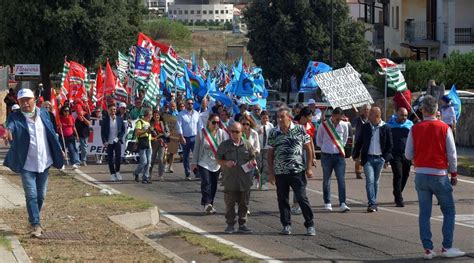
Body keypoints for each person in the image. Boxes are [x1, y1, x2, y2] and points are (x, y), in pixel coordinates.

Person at [405, 95, 465, 259]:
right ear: (436, 110)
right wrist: (453, 173)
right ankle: (447, 247)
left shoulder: (415, 128)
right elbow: (452, 154)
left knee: (424, 213)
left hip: (421, 174)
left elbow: (408, 154)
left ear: (423, 110)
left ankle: (428, 249)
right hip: (439, 174)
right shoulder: (444, 127)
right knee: (449, 211)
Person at [2, 88, 64, 238]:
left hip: (44, 161)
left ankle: (32, 218)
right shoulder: (15, 117)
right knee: (31, 195)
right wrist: (7, 131)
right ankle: (36, 224)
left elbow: (50, 131)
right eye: (21, 100)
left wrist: (59, 148)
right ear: (18, 102)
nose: (25, 103)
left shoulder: (43, 113)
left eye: (27, 99)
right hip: (27, 164)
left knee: (41, 196)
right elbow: (10, 126)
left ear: (34, 99)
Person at [267, 107, 315, 236]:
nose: (280, 119)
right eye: (278, 117)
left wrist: (309, 168)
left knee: (301, 197)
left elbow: (308, 149)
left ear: (289, 117)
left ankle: (310, 224)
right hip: (280, 171)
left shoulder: (299, 129)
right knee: (282, 199)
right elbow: (270, 153)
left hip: (297, 171)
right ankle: (286, 224)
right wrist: (270, 173)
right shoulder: (273, 132)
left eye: (282, 117)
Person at [216, 122, 256, 234]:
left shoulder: (247, 145)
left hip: (245, 180)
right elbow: (218, 159)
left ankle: (242, 224)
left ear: (241, 132)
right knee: (230, 204)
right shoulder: (225, 145)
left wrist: (252, 164)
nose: (234, 134)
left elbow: (253, 158)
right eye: (232, 131)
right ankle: (230, 225)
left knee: (244, 203)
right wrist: (225, 162)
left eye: (236, 132)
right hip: (230, 179)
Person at [352, 107, 392, 212]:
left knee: (375, 181)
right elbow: (359, 142)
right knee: (370, 180)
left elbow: (389, 145)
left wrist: (385, 159)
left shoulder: (386, 127)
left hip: (380, 158)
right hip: (368, 158)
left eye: (371, 115)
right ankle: (372, 203)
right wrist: (355, 155)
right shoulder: (365, 127)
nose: (368, 116)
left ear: (377, 116)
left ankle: (373, 201)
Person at [315, 107, 350, 212]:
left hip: (339, 156)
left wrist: (338, 148)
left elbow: (345, 138)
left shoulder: (344, 125)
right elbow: (318, 141)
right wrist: (326, 148)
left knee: (341, 180)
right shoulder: (324, 125)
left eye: (340, 118)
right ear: (333, 116)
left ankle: (342, 203)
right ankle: (327, 202)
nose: (338, 120)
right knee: (327, 180)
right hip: (326, 156)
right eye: (337, 118)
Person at [192, 113, 226, 214]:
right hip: (204, 162)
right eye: (214, 122)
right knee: (206, 182)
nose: (216, 124)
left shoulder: (221, 133)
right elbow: (197, 148)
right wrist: (194, 162)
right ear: (208, 122)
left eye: (218, 123)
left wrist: (224, 162)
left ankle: (210, 203)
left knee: (214, 184)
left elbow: (224, 149)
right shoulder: (202, 133)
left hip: (216, 163)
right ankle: (207, 203)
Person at [291, 107, 317, 214]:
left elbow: (310, 141)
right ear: (303, 116)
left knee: (302, 181)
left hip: (306, 153)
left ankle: (298, 203)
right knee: (297, 180)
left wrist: (313, 157)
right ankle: (296, 204)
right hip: (294, 154)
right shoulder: (293, 124)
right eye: (309, 117)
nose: (311, 119)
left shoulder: (310, 125)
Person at [387, 107, 413, 207]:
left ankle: (398, 191)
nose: (404, 117)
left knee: (405, 174)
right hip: (395, 154)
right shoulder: (390, 125)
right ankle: (398, 198)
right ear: (397, 114)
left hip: (406, 154)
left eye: (406, 115)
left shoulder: (410, 125)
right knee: (398, 174)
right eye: (402, 115)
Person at [176, 98, 201, 180]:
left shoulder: (197, 114)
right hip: (185, 137)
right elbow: (179, 126)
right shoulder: (181, 114)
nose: (190, 105)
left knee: (196, 156)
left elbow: (200, 126)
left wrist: (200, 136)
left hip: (195, 137)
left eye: (192, 103)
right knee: (186, 156)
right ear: (186, 104)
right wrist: (181, 137)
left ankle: (196, 172)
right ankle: (187, 173)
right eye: (189, 103)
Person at [101, 104, 125, 181]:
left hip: (117, 141)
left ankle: (117, 172)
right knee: (110, 159)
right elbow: (103, 132)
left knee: (118, 158)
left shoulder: (119, 119)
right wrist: (104, 141)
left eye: (114, 109)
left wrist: (118, 138)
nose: (113, 111)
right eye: (111, 110)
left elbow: (123, 131)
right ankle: (112, 174)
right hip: (109, 142)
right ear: (108, 110)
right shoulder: (105, 120)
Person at [239, 115, 260, 190]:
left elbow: (257, 148)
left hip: (250, 161)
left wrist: (252, 152)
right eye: (243, 124)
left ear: (250, 124)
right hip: (239, 161)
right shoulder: (238, 133)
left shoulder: (254, 133)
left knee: (248, 181)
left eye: (247, 124)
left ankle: (245, 199)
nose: (245, 126)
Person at [133, 108, 153, 184]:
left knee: (149, 162)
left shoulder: (148, 123)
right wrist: (145, 131)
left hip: (149, 143)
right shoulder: (140, 122)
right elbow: (137, 132)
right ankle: (136, 172)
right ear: (147, 115)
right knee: (144, 161)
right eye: (150, 115)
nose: (151, 116)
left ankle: (145, 177)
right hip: (142, 143)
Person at [351, 104, 371, 179]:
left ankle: (367, 171)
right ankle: (358, 172)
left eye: (367, 109)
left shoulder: (371, 119)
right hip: (359, 140)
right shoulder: (357, 119)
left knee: (367, 157)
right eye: (365, 109)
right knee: (359, 158)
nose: (366, 111)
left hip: (368, 140)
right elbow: (353, 127)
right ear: (362, 111)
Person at [58, 105, 81, 169]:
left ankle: (73, 163)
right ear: (62, 111)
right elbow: (57, 127)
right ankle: (62, 164)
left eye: (68, 110)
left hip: (70, 136)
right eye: (65, 111)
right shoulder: (59, 118)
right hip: (62, 136)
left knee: (72, 149)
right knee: (62, 150)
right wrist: (58, 126)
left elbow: (74, 127)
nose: (66, 112)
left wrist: (77, 135)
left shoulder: (71, 117)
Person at [149, 110, 169, 181]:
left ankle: (161, 175)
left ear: (159, 116)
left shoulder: (163, 123)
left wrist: (163, 134)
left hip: (162, 142)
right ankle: (149, 174)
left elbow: (168, 133)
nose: (156, 117)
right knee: (152, 159)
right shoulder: (151, 124)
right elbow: (149, 133)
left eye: (157, 115)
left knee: (161, 159)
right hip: (154, 142)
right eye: (155, 115)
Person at [257, 110, 274, 190]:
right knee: (259, 166)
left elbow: (273, 136)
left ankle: (263, 183)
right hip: (259, 148)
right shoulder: (257, 125)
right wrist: (258, 132)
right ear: (260, 118)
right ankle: (258, 180)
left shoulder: (270, 126)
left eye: (266, 118)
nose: (265, 120)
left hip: (267, 148)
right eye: (263, 118)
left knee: (265, 166)